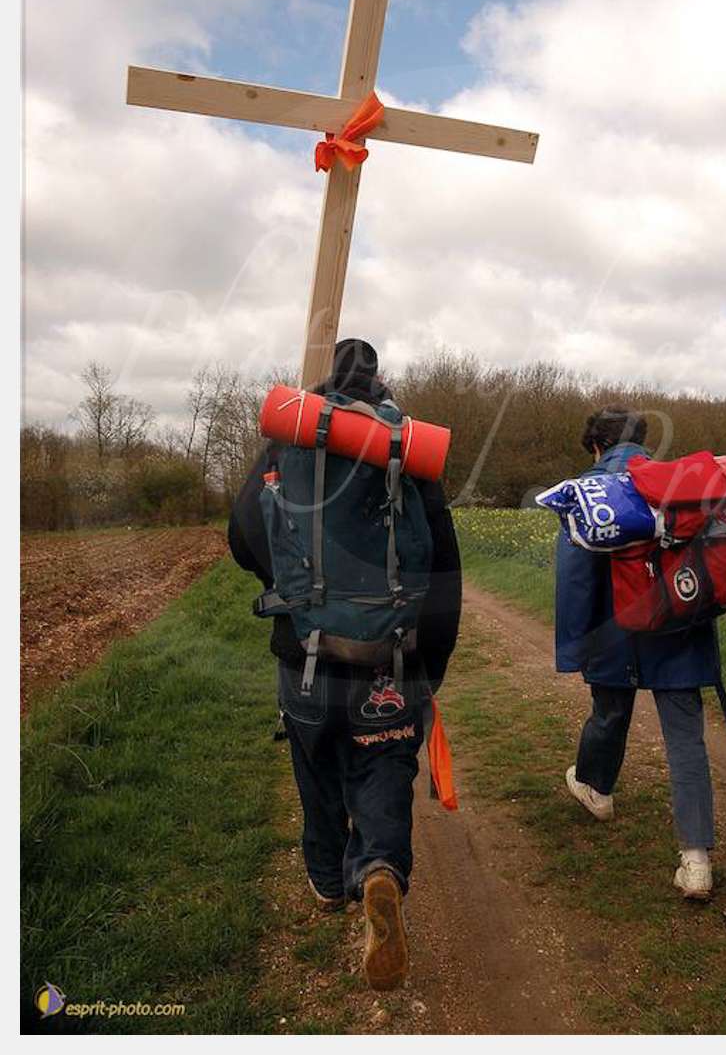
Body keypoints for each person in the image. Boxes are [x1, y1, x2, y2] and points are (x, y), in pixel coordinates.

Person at [228, 339, 462, 988]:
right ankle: (381, 869)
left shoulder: (291, 437)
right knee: (385, 764)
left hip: (303, 656)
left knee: (316, 764)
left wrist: (297, 586)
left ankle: (329, 880)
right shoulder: (405, 450)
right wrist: (431, 662)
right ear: (381, 384)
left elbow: (243, 533)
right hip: (389, 654)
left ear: (325, 381)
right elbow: (442, 563)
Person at [556, 406, 726, 901]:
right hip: (681, 627)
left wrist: (573, 648)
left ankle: (597, 789)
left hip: (617, 630)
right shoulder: (678, 482)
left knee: (609, 713)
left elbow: (574, 576)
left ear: (595, 446)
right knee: (686, 741)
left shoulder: (587, 490)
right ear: (644, 442)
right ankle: (696, 861)